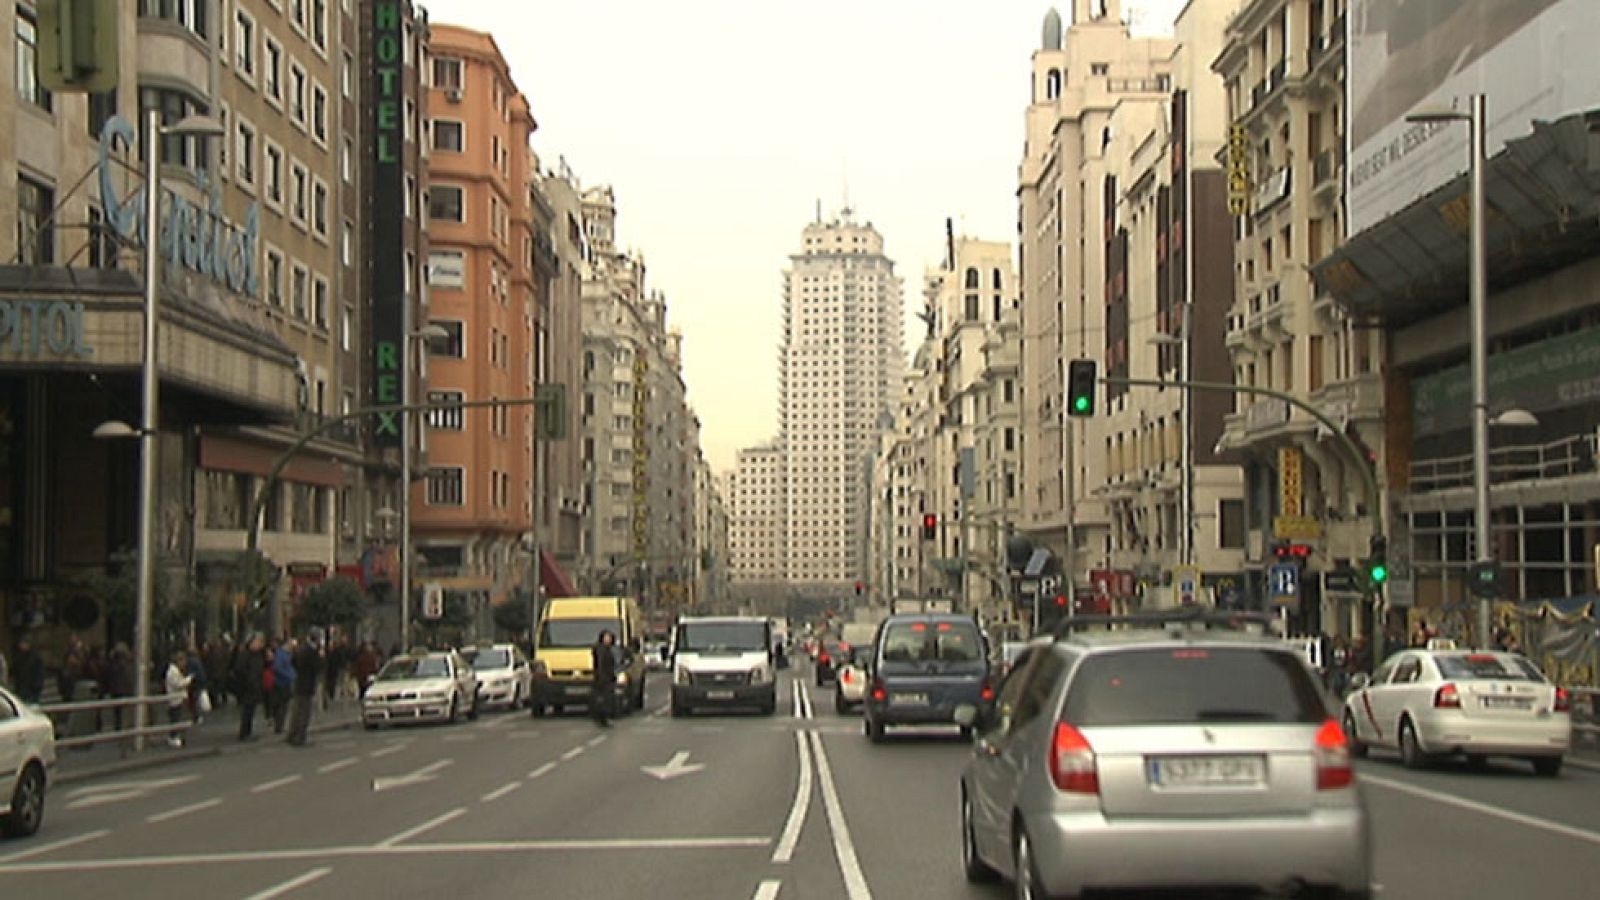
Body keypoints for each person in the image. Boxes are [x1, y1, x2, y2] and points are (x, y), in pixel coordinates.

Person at [286, 629, 325, 747]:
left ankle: (292, 734)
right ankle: (300, 737)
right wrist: (321, 657)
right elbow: (318, 667)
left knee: (296, 711)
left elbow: (292, 661)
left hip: (299, 682)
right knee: (304, 712)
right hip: (307, 684)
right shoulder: (312, 651)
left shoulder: (300, 648)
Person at [232, 634, 266, 741]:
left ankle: (248, 731)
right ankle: (244, 733)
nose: (259, 644)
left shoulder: (259, 655)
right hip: (247, 687)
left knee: (251, 710)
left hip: (255, 685)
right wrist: (249, 681)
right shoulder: (245, 654)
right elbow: (239, 670)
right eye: (257, 642)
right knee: (247, 710)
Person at [163, 650, 193, 748]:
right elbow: (179, 684)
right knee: (175, 718)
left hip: (178, 699)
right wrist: (188, 680)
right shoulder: (173, 672)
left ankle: (176, 737)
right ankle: (173, 737)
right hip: (175, 699)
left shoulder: (174, 671)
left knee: (177, 718)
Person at [591, 629, 618, 728]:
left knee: (606, 699)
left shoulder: (607, 649)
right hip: (603, 679)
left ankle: (603, 719)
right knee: (604, 699)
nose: (608, 639)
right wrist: (602, 677)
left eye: (609, 637)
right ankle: (601, 718)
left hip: (606, 677)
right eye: (606, 637)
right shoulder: (601, 650)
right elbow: (601, 664)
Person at [11, 635, 45, 703]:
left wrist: (37, 686)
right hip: (21, 687)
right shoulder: (18, 657)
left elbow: (39, 672)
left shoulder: (35, 657)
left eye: (24, 643)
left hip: (32, 688)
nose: (22, 646)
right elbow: (16, 672)